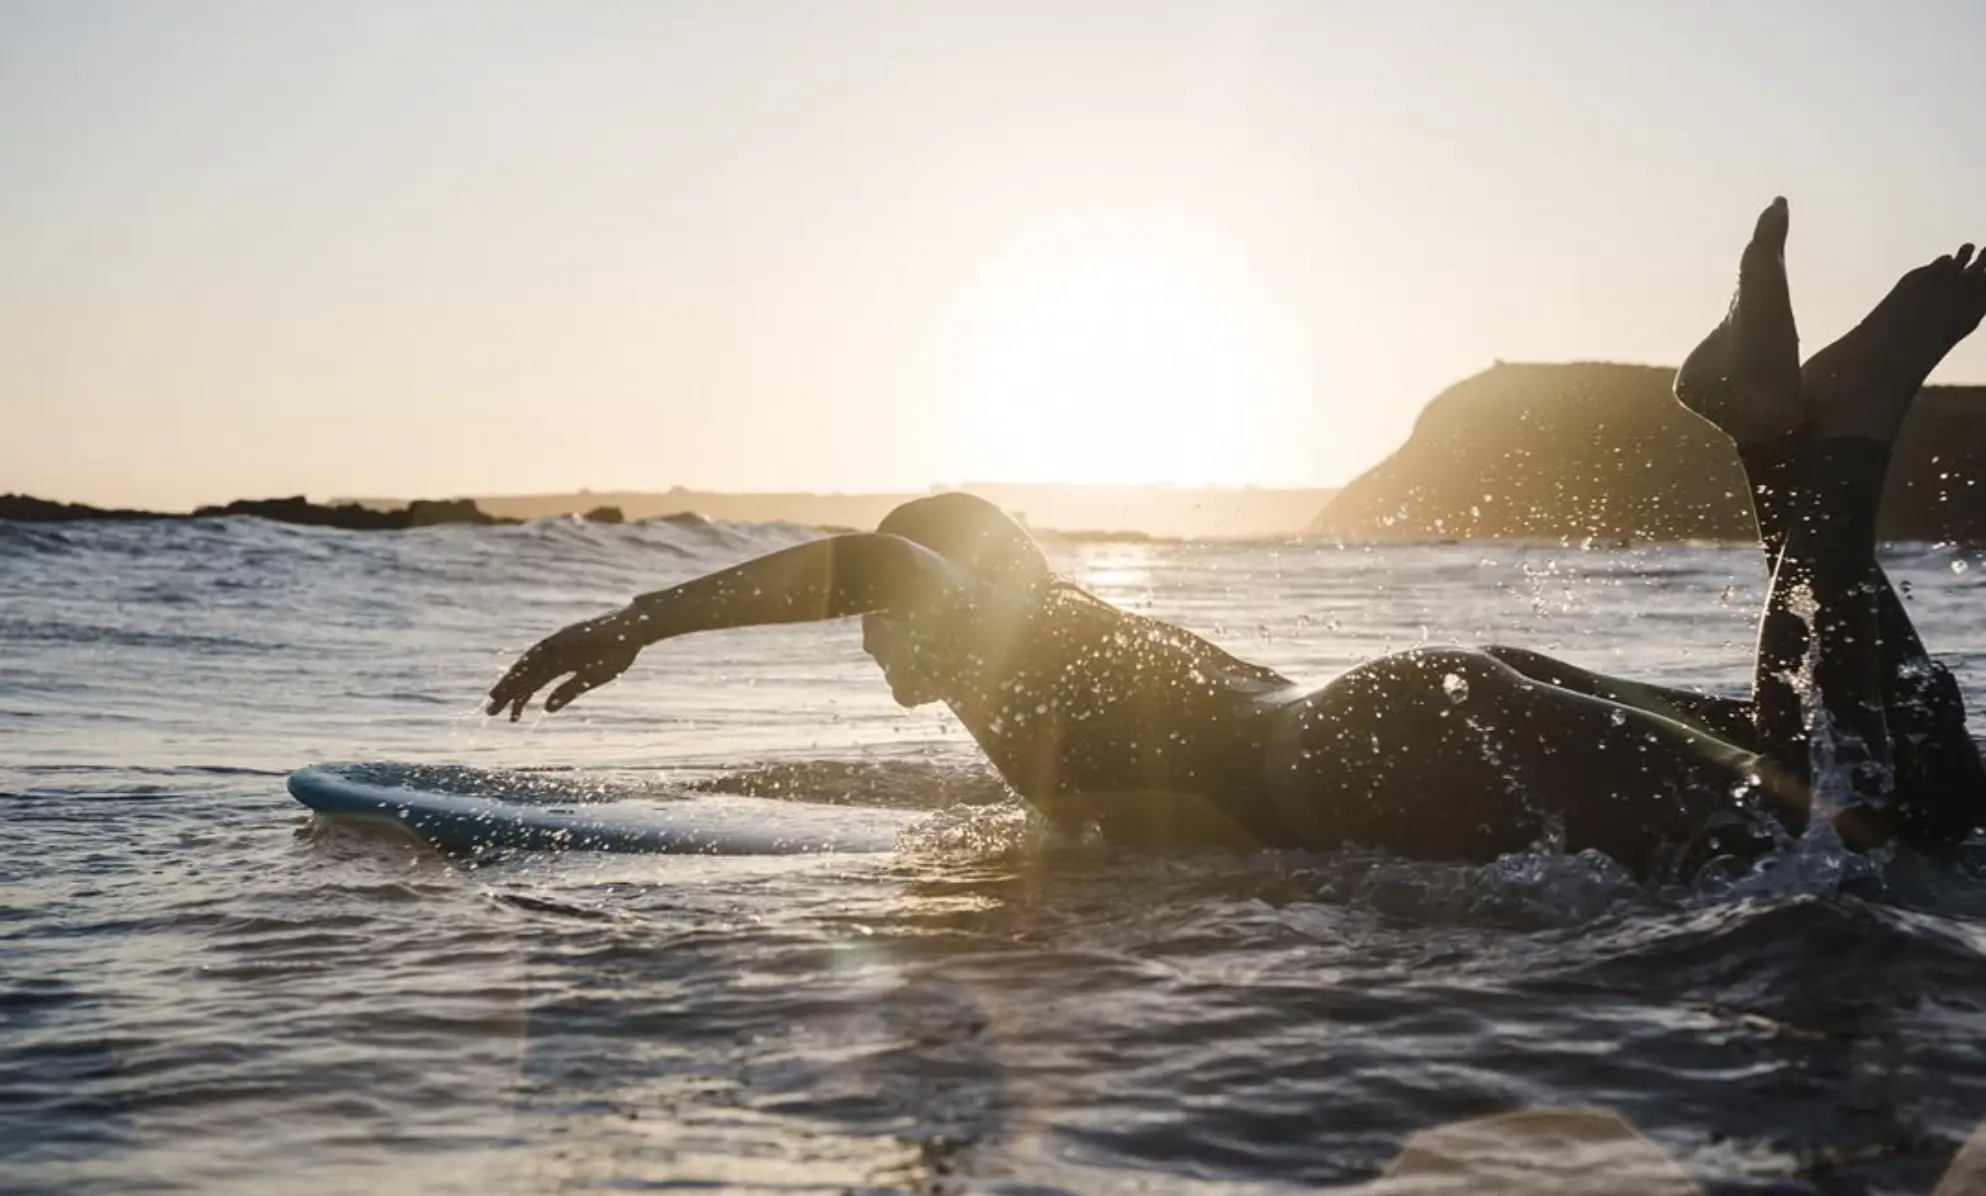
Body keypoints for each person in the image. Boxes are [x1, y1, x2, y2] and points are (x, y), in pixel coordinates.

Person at [487, 199, 1986, 881]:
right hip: (1433, 703)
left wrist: (644, 618)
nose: (877, 637)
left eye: (903, 608)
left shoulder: (1021, 657)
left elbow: (875, 568)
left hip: (1387, 741)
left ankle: (1812, 441)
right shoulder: (1081, 669)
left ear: (963, 591)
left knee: (1820, 847)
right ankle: (1794, 451)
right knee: (1902, 791)